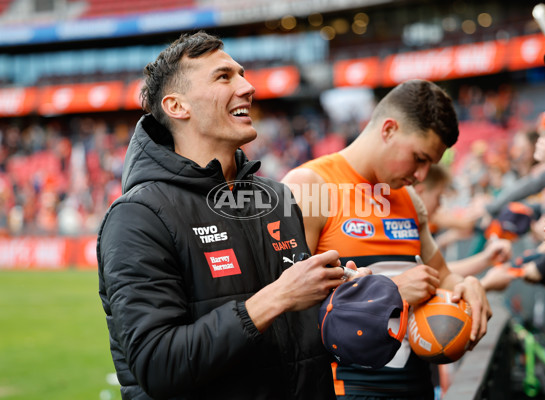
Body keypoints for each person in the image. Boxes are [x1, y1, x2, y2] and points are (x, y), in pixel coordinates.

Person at [96, 31, 367, 400]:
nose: (247, 87)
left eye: (242, 74)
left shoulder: (276, 196)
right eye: (224, 77)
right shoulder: (138, 216)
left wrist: (342, 296)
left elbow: (297, 330)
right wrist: (277, 297)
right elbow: (158, 366)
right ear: (177, 106)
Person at [282, 80, 491, 400]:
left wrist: (467, 284)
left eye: (430, 165)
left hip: (417, 384)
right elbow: (284, 305)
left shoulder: (408, 197)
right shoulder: (308, 185)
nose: (422, 175)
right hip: (345, 387)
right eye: (419, 158)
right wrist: (390, 296)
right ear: (389, 129)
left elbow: (443, 275)